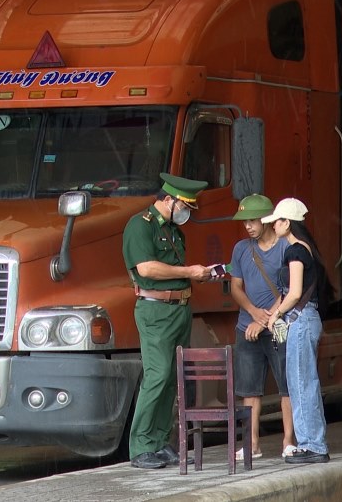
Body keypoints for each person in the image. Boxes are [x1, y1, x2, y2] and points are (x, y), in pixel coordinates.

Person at [121, 172, 211, 470]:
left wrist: (199, 274)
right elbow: (146, 268)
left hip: (179, 308)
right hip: (156, 310)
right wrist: (189, 272)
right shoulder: (140, 226)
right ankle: (141, 446)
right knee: (157, 375)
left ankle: (159, 442)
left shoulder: (173, 231)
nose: (187, 212)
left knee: (173, 377)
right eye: (184, 205)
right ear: (169, 200)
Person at [262, 197, 331, 464]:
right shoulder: (306, 249)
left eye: (276, 221)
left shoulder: (295, 252)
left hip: (300, 322)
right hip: (306, 319)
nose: (273, 226)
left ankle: (312, 444)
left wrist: (276, 314)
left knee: (301, 383)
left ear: (286, 223)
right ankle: (313, 442)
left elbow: (294, 293)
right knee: (304, 382)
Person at [228, 194, 296, 460]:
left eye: (253, 220)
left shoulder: (284, 247)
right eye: (245, 221)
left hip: (278, 326)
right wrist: (254, 314)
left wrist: (268, 318)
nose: (248, 226)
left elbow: (291, 288)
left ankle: (288, 441)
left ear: (268, 220)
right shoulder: (241, 249)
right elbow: (235, 286)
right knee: (249, 389)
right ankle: (252, 443)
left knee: (286, 386)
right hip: (247, 327)